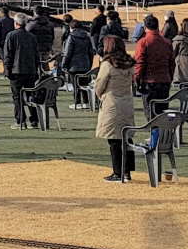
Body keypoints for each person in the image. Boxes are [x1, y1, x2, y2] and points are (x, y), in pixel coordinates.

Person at [93, 35, 137, 183]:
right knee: (126, 137)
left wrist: (100, 95)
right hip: (126, 101)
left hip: (111, 101)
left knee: (113, 139)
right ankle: (127, 171)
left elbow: (100, 84)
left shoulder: (107, 64)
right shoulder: (129, 63)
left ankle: (118, 172)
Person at [1, 15, 40, 128]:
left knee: (17, 97)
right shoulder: (31, 37)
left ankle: (20, 120)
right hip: (30, 70)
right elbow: (36, 55)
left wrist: (7, 69)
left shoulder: (11, 35)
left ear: (15, 23)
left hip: (16, 71)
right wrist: (36, 69)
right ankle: (34, 119)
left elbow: (8, 54)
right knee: (30, 95)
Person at [132, 16, 174, 104]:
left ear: (145, 27)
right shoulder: (167, 42)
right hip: (165, 79)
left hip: (149, 81)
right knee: (163, 109)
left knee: (150, 109)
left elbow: (140, 62)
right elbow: (171, 63)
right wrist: (170, 77)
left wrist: (137, 79)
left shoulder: (143, 42)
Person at [58, 19, 94, 106]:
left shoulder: (71, 37)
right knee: (85, 84)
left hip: (73, 65)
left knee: (75, 85)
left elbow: (67, 52)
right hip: (85, 63)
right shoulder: (87, 36)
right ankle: (86, 102)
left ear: (71, 27)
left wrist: (64, 64)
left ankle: (77, 102)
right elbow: (91, 52)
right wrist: (90, 63)